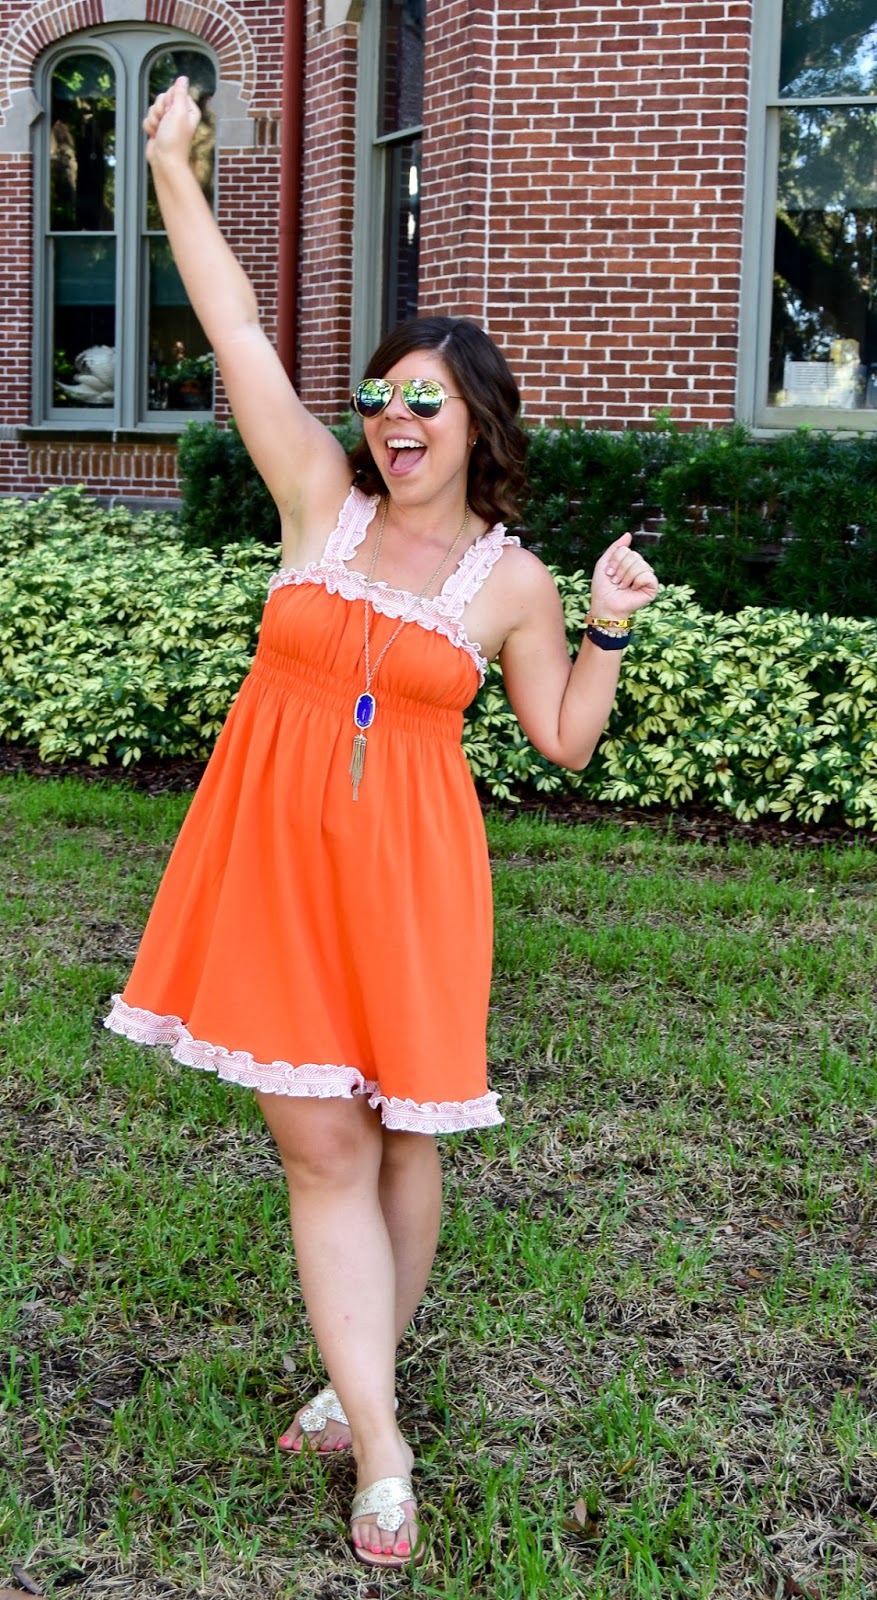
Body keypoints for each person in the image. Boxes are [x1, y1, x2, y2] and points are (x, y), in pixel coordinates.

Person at [105, 76, 659, 1570]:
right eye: (381, 395)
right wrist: (171, 171)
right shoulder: (315, 502)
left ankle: (355, 1394)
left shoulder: (512, 583)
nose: (394, 418)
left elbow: (557, 736)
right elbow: (235, 332)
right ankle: (385, 1443)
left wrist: (602, 626)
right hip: (275, 864)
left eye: (426, 399)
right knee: (323, 1148)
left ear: (479, 424)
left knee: (406, 1147)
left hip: (416, 879)